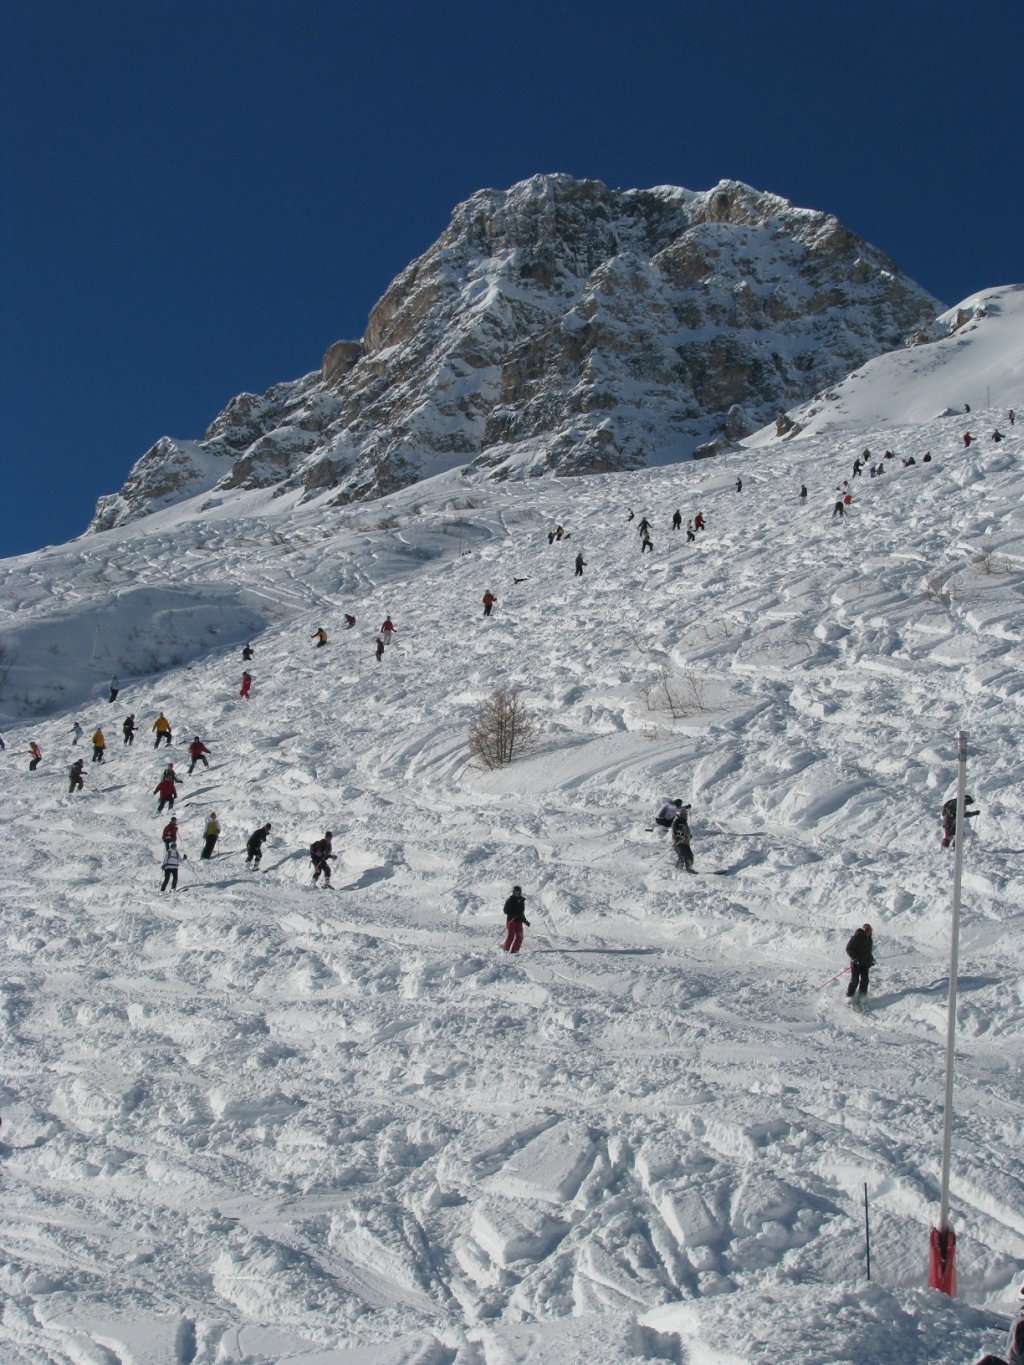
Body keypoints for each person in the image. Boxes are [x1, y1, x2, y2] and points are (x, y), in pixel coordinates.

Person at [845, 923, 874, 998]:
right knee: (855, 980)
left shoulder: (869, 940)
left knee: (865, 980)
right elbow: (848, 948)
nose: (869, 932)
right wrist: (854, 957)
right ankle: (849, 996)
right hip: (856, 963)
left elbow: (868, 952)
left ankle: (862, 997)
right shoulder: (857, 937)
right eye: (867, 930)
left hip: (865, 963)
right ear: (864, 930)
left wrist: (871, 960)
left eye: (870, 930)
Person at [502, 885, 530, 953]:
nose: (516, 894)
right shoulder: (510, 900)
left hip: (519, 921)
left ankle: (514, 951)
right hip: (511, 920)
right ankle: (505, 950)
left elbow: (521, 912)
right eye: (515, 892)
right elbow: (505, 910)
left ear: (520, 893)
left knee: (520, 936)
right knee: (511, 936)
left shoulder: (521, 901)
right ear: (513, 892)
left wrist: (525, 921)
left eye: (518, 892)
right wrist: (513, 914)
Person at [671, 805, 695, 871]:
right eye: (684, 814)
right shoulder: (677, 822)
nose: (685, 816)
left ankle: (689, 868)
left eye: (686, 814)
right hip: (678, 843)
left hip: (685, 843)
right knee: (682, 855)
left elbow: (687, 833)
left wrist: (689, 836)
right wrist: (679, 837)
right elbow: (675, 831)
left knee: (690, 856)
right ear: (681, 814)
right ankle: (678, 869)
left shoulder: (685, 823)